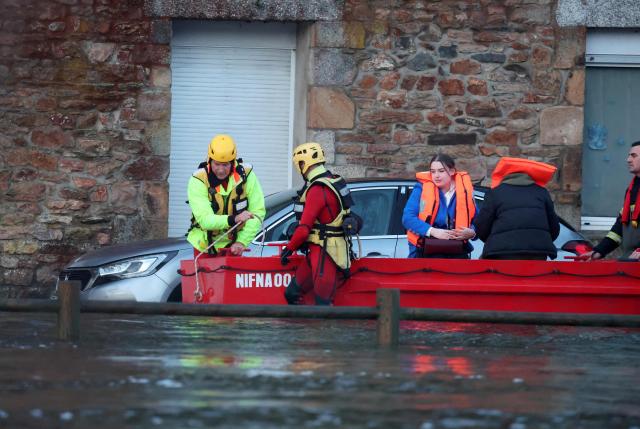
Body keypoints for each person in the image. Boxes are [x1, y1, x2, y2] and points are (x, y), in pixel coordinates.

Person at [280, 142, 356, 306]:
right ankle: (303, 330)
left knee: (323, 305)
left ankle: (321, 330)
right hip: (322, 251)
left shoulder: (317, 189)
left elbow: (303, 229)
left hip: (324, 254)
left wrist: (289, 249)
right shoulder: (334, 181)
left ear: (303, 164)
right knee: (292, 293)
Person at [186, 134, 265, 257]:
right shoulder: (198, 180)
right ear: (209, 160)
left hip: (234, 247)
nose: (221, 170)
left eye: (225, 165)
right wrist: (235, 218)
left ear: (233, 163)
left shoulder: (247, 175)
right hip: (205, 246)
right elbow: (205, 220)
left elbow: (257, 212)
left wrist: (242, 241)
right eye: (217, 164)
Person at [474, 157, 560, 260]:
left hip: (502, 252)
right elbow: (554, 227)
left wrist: (494, 241)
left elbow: (482, 226)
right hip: (538, 253)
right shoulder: (542, 192)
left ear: (505, 176)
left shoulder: (496, 193)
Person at [402, 154, 477, 259]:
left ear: (451, 171)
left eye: (441, 171)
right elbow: (407, 218)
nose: (436, 175)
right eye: (433, 171)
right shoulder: (421, 189)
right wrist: (433, 231)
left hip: (457, 252)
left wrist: (472, 233)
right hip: (425, 251)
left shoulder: (465, 191)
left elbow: (478, 221)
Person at [582, 141, 640, 260]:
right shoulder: (631, 189)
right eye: (629, 155)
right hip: (631, 259)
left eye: (633, 156)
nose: (628, 160)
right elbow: (619, 228)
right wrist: (598, 251)